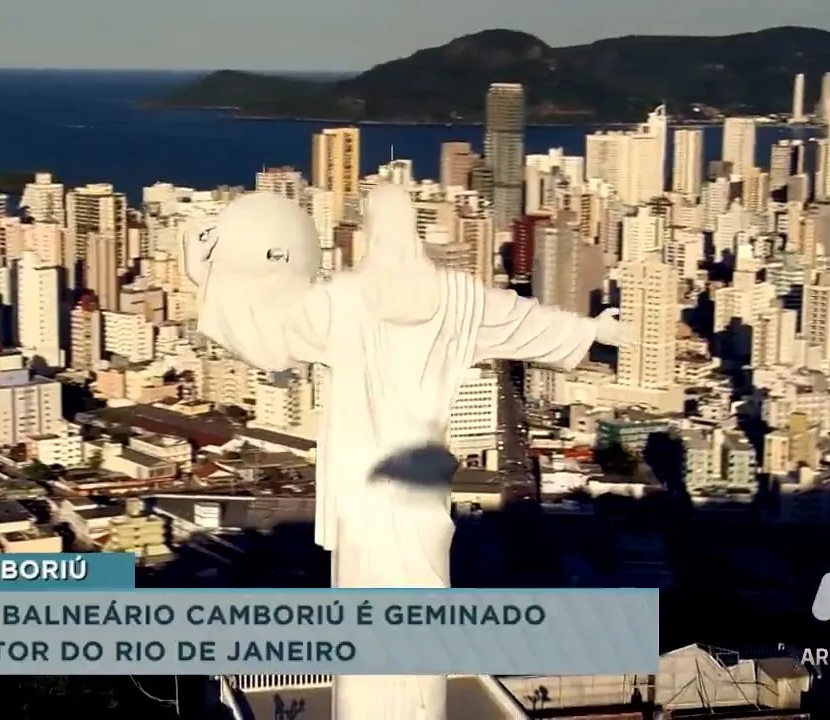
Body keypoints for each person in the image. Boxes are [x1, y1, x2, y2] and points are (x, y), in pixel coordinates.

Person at [184, 186, 634, 719]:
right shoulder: (458, 301)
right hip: (418, 498)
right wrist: (592, 331)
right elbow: (526, 323)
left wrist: (207, 276)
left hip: (365, 498)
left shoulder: (342, 302)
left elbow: (266, 333)